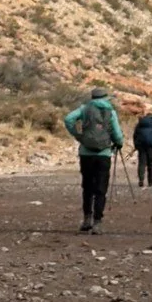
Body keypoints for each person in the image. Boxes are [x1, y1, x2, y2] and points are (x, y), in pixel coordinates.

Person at [63, 86, 124, 234]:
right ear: (105, 98)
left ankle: (86, 219)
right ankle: (98, 222)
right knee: (101, 189)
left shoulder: (84, 109)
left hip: (86, 153)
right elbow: (117, 133)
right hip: (104, 154)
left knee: (87, 187)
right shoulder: (111, 111)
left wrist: (78, 135)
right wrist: (119, 143)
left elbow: (68, 119)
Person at [132, 111, 152, 187]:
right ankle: (150, 182)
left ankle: (141, 180)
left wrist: (136, 145)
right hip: (151, 145)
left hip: (141, 145)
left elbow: (135, 134)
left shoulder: (140, 123)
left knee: (142, 163)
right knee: (150, 163)